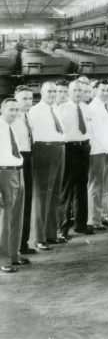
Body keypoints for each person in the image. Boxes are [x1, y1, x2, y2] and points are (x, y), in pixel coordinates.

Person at [27, 81, 65, 251]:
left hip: (58, 149)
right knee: (42, 195)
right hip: (43, 150)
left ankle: (51, 233)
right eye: (49, 91)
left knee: (55, 193)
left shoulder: (56, 109)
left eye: (54, 91)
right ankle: (39, 237)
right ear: (41, 92)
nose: (52, 94)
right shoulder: (35, 111)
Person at [54, 80, 92, 238]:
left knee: (82, 188)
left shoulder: (86, 108)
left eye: (81, 90)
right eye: (75, 90)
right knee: (66, 189)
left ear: (85, 92)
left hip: (84, 148)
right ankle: (62, 229)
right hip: (69, 149)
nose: (78, 93)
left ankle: (80, 225)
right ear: (69, 92)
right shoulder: (61, 109)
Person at [87, 81, 108, 231]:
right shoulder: (93, 107)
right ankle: (93, 219)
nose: (106, 93)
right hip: (98, 151)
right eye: (102, 90)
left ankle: (102, 216)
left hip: (107, 151)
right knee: (96, 186)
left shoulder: (105, 106)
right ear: (95, 90)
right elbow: (98, 132)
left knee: (105, 186)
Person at [0, 98, 27, 273]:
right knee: (4, 219)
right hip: (3, 174)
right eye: (11, 109)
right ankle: (3, 260)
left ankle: (13, 254)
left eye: (17, 110)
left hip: (18, 172)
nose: (15, 113)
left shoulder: (12, 127)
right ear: (2, 109)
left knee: (17, 216)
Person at [12, 86, 35, 254]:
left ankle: (23, 244)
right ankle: (15, 246)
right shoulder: (12, 119)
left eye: (30, 98)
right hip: (17, 160)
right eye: (24, 98)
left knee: (27, 202)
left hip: (28, 157)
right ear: (16, 98)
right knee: (18, 205)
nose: (28, 101)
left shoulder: (27, 116)